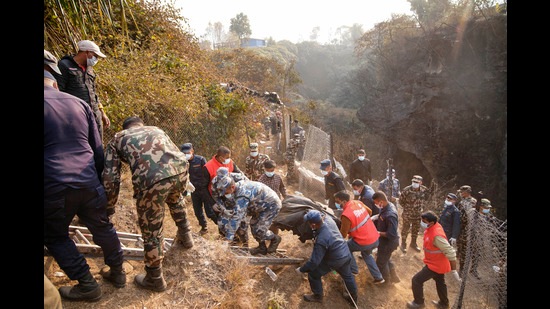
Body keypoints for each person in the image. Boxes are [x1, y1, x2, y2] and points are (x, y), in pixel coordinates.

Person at [44, 69, 125, 302]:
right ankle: (118, 272)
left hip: (54, 184)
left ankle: (87, 284)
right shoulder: (80, 103)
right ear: (56, 85)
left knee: (56, 236)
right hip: (88, 179)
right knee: (102, 227)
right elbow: (97, 148)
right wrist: (98, 182)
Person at [102, 116, 193, 292]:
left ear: (126, 127)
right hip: (180, 170)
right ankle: (186, 234)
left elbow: (111, 178)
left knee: (152, 229)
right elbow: (175, 152)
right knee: (175, 198)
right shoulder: (157, 129)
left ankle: (154, 278)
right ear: (140, 125)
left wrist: (109, 205)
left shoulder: (118, 138)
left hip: (151, 180)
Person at [295, 210, 358, 304]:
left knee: (313, 274)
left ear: (313, 225)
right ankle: (353, 299)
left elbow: (314, 262)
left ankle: (318, 296)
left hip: (335, 259)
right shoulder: (329, 220)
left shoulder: (321, 239)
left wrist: (302, 269)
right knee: (348, 276)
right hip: (345, 253)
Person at [52, 40, 110, 140]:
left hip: (94, 115)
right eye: (95, 56)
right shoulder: (64, 65)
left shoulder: (90, 69)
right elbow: (58, 92)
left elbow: (93, 91)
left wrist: (102, 112)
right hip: (75, 116)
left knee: (98, 147)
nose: (96, 59)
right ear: (86, 52)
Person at [214, 174, 282, 255]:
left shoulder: (243, 195)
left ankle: (275, 239)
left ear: (232, 187)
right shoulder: (236, 188)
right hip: (258, 205)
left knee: (259, 230)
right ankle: (262, 248)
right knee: (254, 226)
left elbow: (236, 218)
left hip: (271, 205)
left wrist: (228, 239)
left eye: (226, 192)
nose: (225, 194)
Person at [406, 211, 461, 309]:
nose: (421, 222)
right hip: (436, 262)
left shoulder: (436, 235)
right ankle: (444, 304)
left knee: (416, 280)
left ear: (431, 222)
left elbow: (451, 252)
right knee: (440, 282)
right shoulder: (434, 227)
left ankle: (419, 303)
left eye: (424, 221)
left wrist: (453, 271)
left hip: (435, 265)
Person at [334, 191, 385, 284]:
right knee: (367, 254)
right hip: (375, 238)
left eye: (338, 202)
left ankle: (353, 270)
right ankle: (378, 277)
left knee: (345, 246)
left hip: (364, 241)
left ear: (344, 201)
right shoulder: (358, 202)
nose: (337, 204)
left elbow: (343, 235)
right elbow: (369, 212)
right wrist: (361, 222)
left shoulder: (346, 215)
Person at [181, 143, 217, 235]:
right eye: (184, 153)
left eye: (188, 152)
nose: (186, 155)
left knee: (210, 212)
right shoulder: (182, 162)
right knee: (197, 211)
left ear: (192, 151)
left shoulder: (200, 160)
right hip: (194, 190)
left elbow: (207, 173)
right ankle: (204, 228)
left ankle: (223, 228)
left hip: (204, 190)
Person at [371, 191, 401, 284]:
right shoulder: (387, 206)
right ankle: (394, 278)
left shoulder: (390, 215)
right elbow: (381, 216)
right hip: (385, 242)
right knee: (386, 258)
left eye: (376, 203)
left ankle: (386, 282)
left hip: (389, 243)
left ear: (381, 202)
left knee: (380, 263)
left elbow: (391, 234)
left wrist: (378, 233)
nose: (375, 205)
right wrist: (375, 218)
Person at [467, 198, 499, 280]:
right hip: (470, 237)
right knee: (466, 254)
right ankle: (462, 271)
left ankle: (473, 270)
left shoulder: (486, 216)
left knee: (477, 256)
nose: (488, 209)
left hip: (480, 239)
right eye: (486, 207)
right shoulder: (473, 212)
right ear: (481, 206)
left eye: (488, 208)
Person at [399, 175, 430, 253]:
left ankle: (413, 243)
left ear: (421, 182)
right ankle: (403, 244)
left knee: (415, 229)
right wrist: (408, 208)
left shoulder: (424, 190)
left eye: (417, 182)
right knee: (405, 229)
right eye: (413, 181)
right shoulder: (406, 190)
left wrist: (421, 208)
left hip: (418, 214)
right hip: (408, 214)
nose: (414, 183)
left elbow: (426, 198)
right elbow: (401, 201)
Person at [455, 185, 477, 276]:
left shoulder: (469, 202)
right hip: (464, 228)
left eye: (461, 192)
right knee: (461, 247)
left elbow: (464, 217)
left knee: (464, 249)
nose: (460, 193)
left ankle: (462, 270)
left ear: (466, 192)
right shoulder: (468, 201)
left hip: (466, 229)